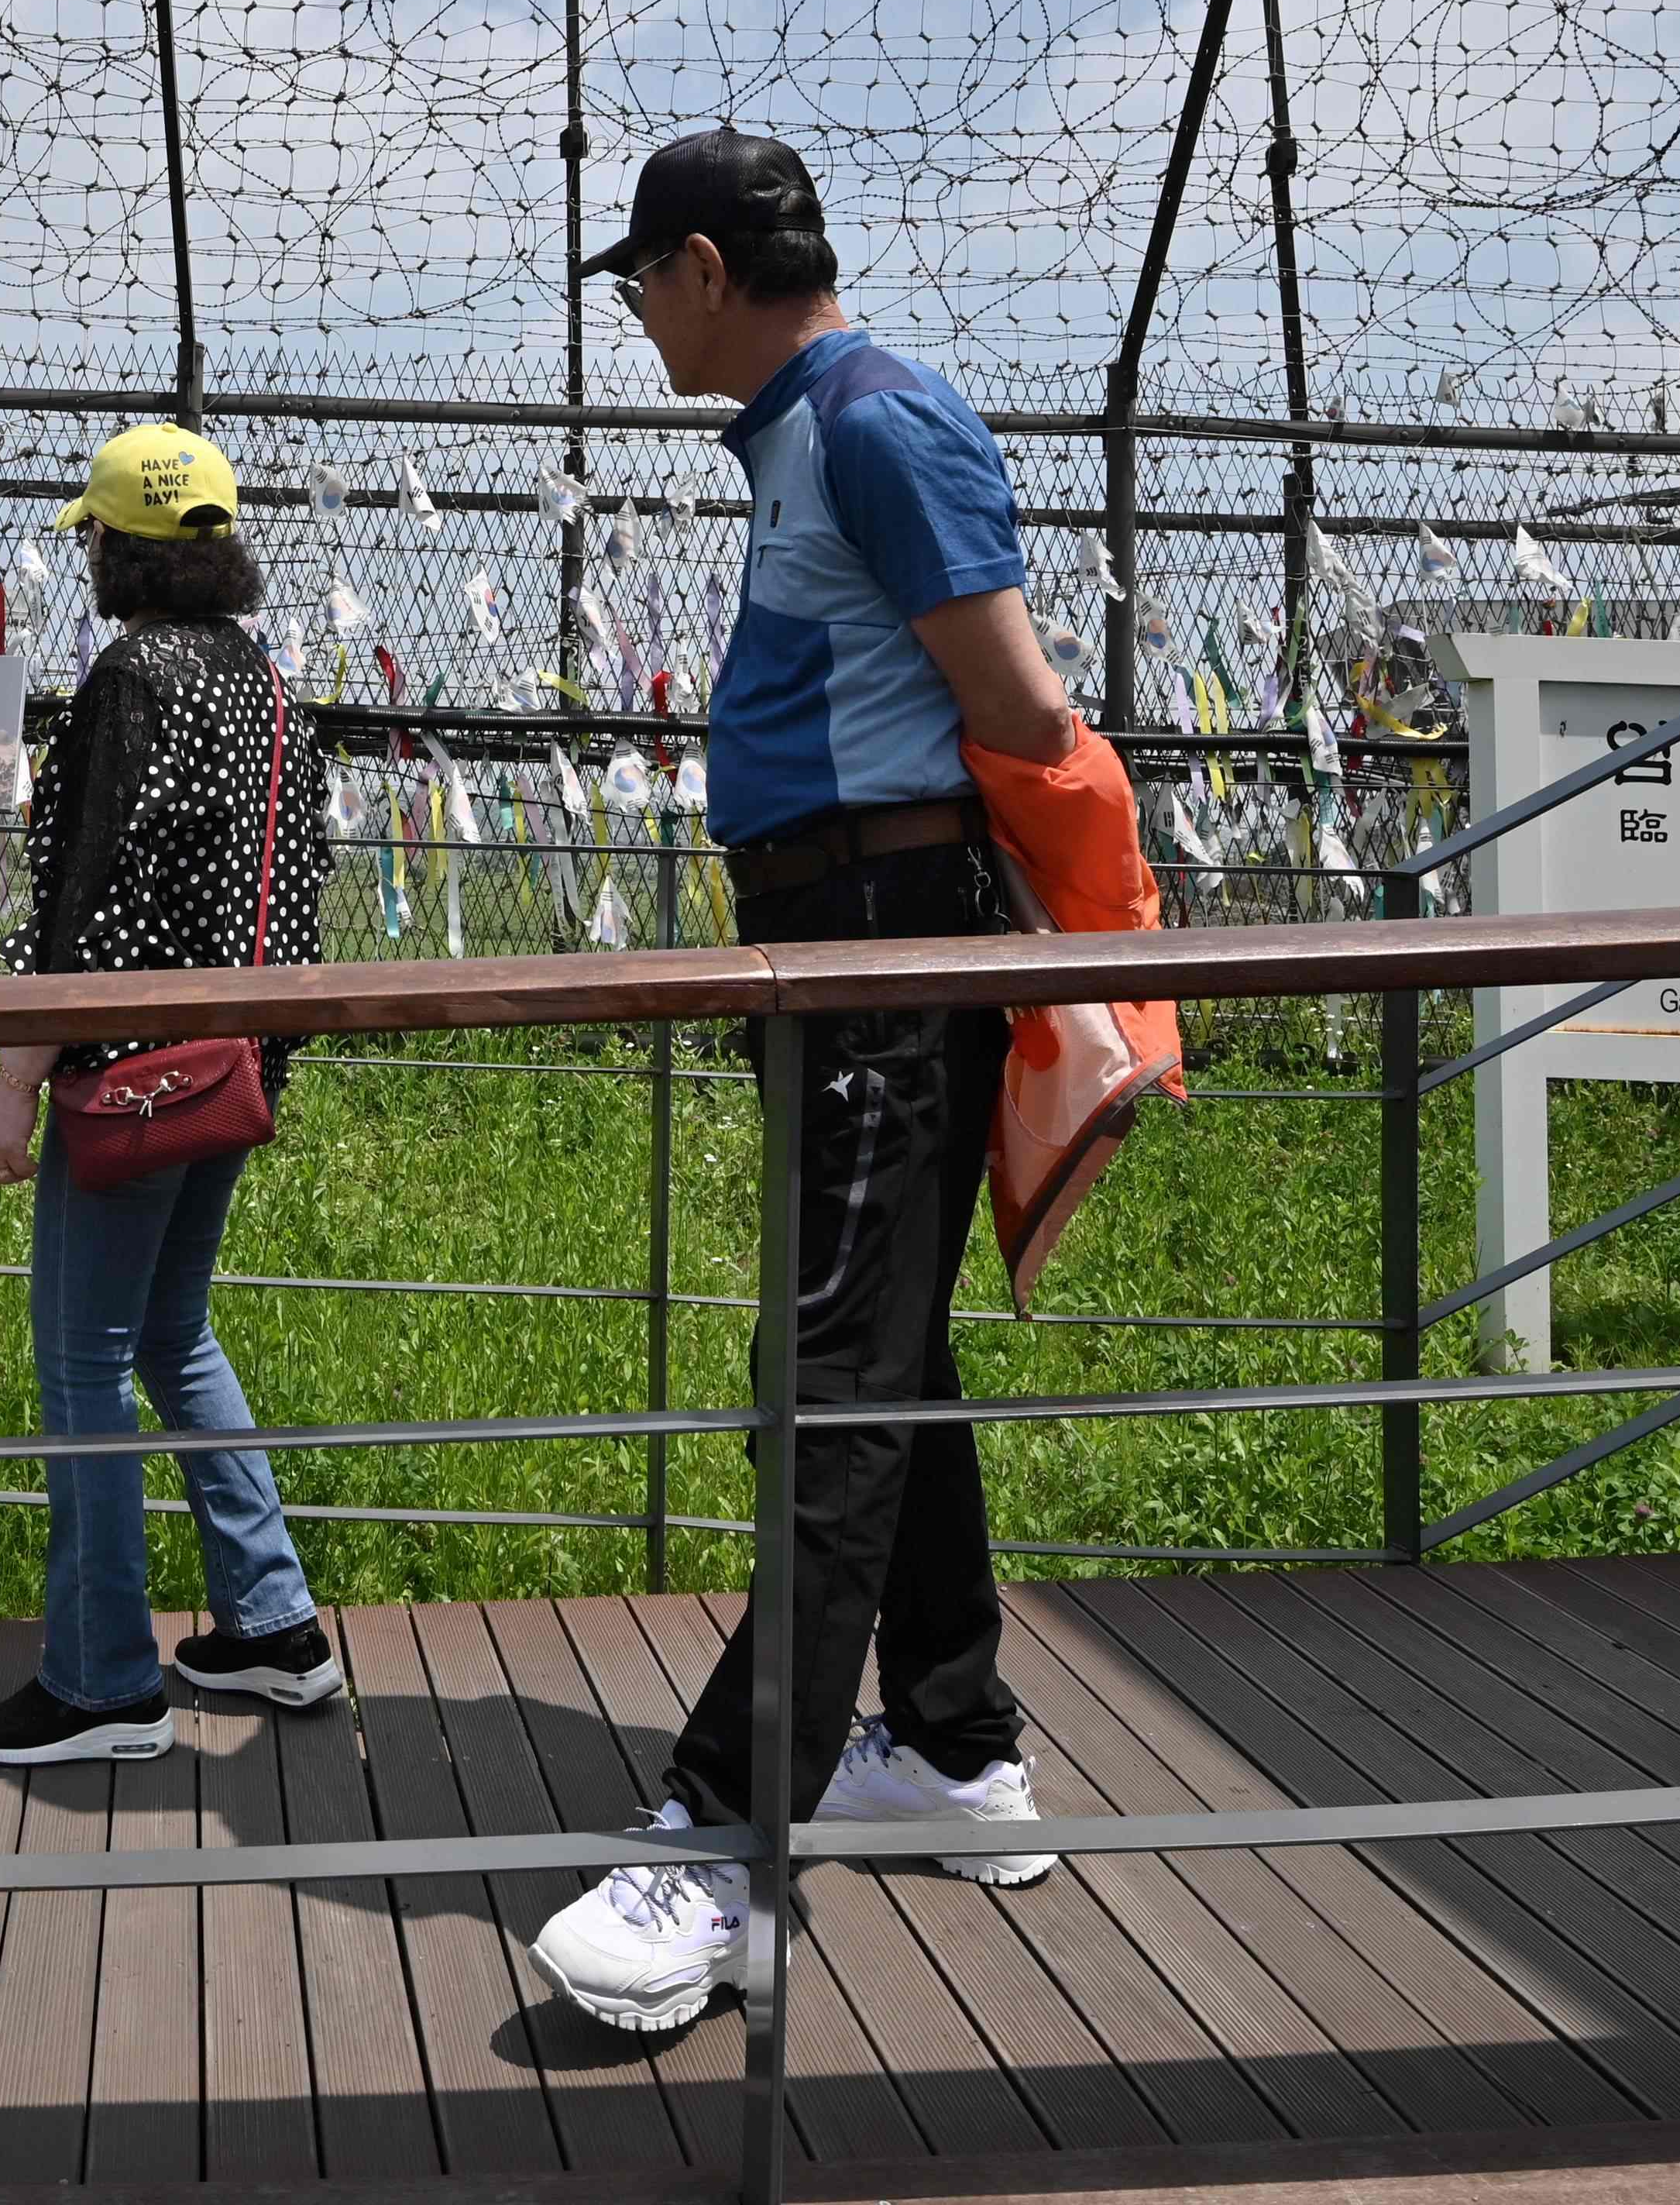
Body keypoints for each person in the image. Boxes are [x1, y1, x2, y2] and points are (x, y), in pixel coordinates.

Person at [530, 130, 1079, 2032]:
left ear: (704, 266)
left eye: (637, 279)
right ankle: (951, 1740)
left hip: (882, 936)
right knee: (877, 1345)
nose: (633, 314)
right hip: (829, 934)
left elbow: (1019, 701)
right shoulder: (798, 434)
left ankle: (724, 1831)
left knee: (830, 1375)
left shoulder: (873, 418)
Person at [0, 421, 344, 1765]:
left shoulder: (131, 679)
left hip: (127, 1077)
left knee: (84, 1356)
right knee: (174, 1331)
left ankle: (102, 1680)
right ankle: (274, 1624)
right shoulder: (264, 681)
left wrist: (15, 1078)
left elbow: (84, 902)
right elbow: (295, 884)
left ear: (119, 548)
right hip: (229, 1065)